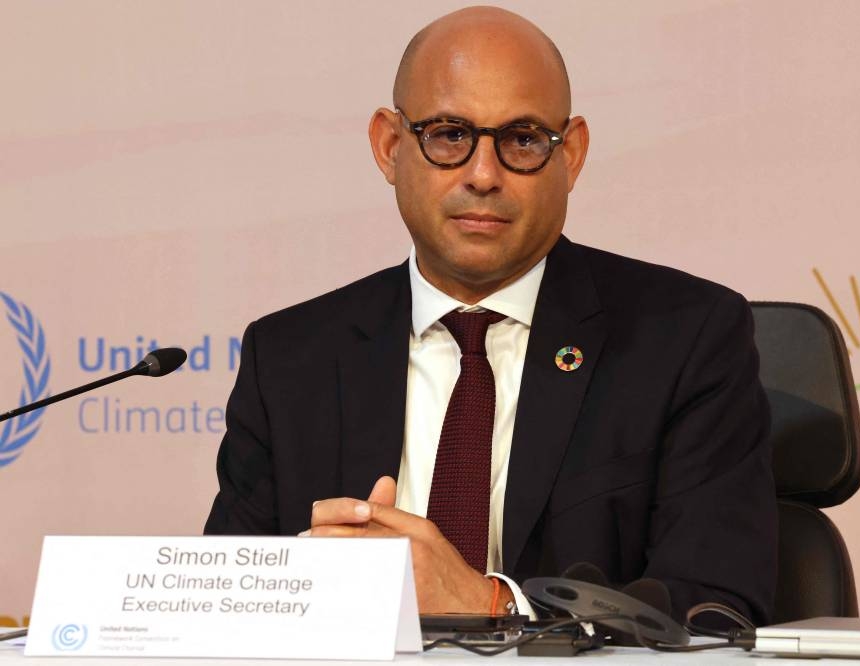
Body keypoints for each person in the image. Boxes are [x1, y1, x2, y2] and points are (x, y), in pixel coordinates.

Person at [205, 6, 777, 625]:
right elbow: (226, 604)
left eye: (523, 140)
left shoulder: (686, 337)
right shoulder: (290, 357)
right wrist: (302, 583)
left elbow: (718, 602)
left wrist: (491, 605)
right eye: (450, 135)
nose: (483, 175)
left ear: (573, 154)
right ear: (391, 147)